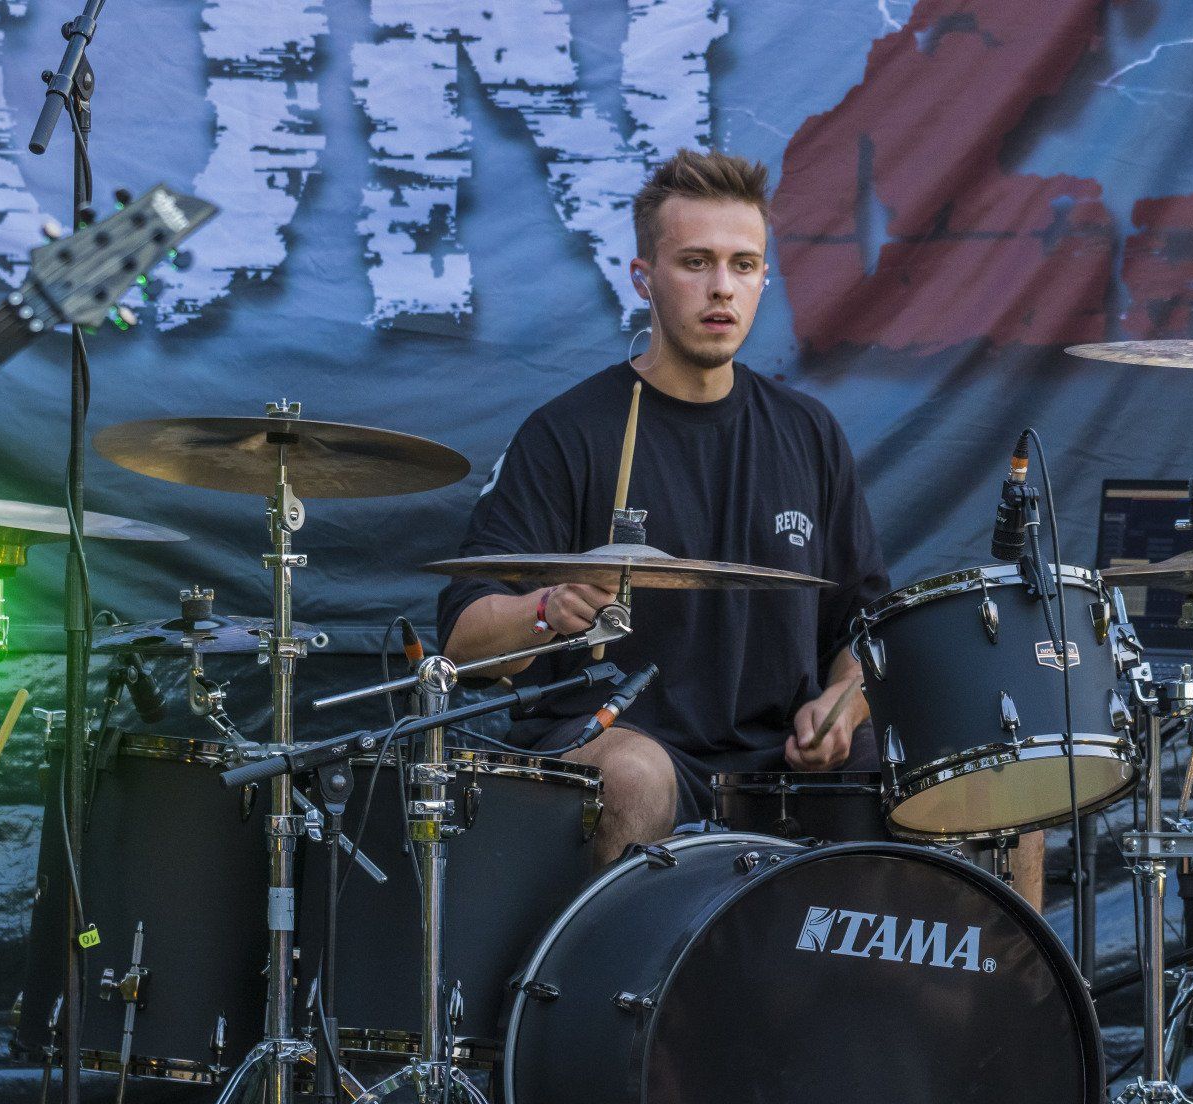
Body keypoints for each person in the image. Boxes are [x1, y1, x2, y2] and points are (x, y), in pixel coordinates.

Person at [436, 149, 1045, 905]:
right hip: (626, 747)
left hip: (781, 767)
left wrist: (841, 707)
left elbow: (862, 635)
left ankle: (1006, 985)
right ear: (643, 278)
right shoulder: (569, 435)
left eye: (743, 264)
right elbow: (461, 637)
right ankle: (617, 983)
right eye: (695, 262)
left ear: (763, 280)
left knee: (998, 776)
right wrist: (545, 609)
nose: (721, 286)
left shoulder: (807, 434)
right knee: (634, 774)